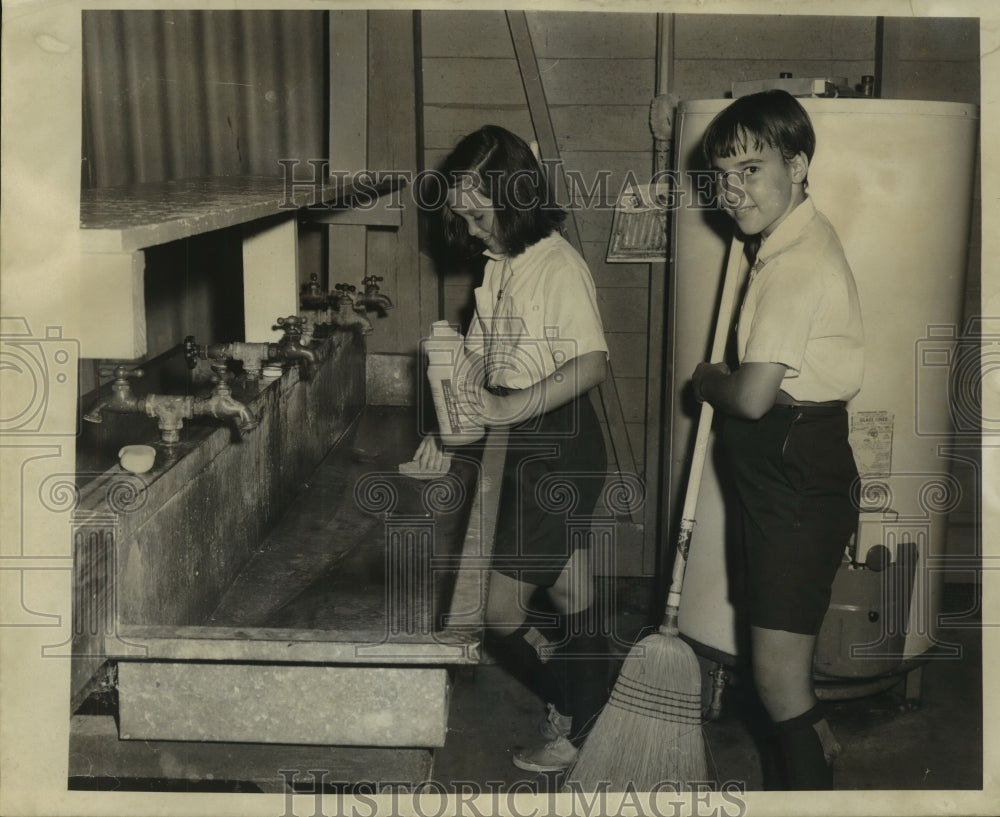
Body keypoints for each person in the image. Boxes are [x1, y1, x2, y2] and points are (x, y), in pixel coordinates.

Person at [412, 125, 612, 773]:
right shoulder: (500, 265)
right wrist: (443, 426)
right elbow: (475, 354)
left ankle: (576, 710)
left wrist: (506, 406)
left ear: (515, 195)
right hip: (523, 442)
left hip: (557, 442)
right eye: (463, 216)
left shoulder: (556, 265)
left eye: (478, 213)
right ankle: (595, 705)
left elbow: (589, 364)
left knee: (496, 612)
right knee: (570, 589)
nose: (470, 229)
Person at [690, 90, 864, 790]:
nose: (733, 191)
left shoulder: (794, 264)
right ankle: (816, 750)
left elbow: (755, 398)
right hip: (783, 479)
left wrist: (707, 380)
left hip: (794, 478)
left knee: (776, 679)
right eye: (722, 177)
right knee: (781, 673)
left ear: (796, 164)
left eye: (751, 170)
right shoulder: (781, 240)